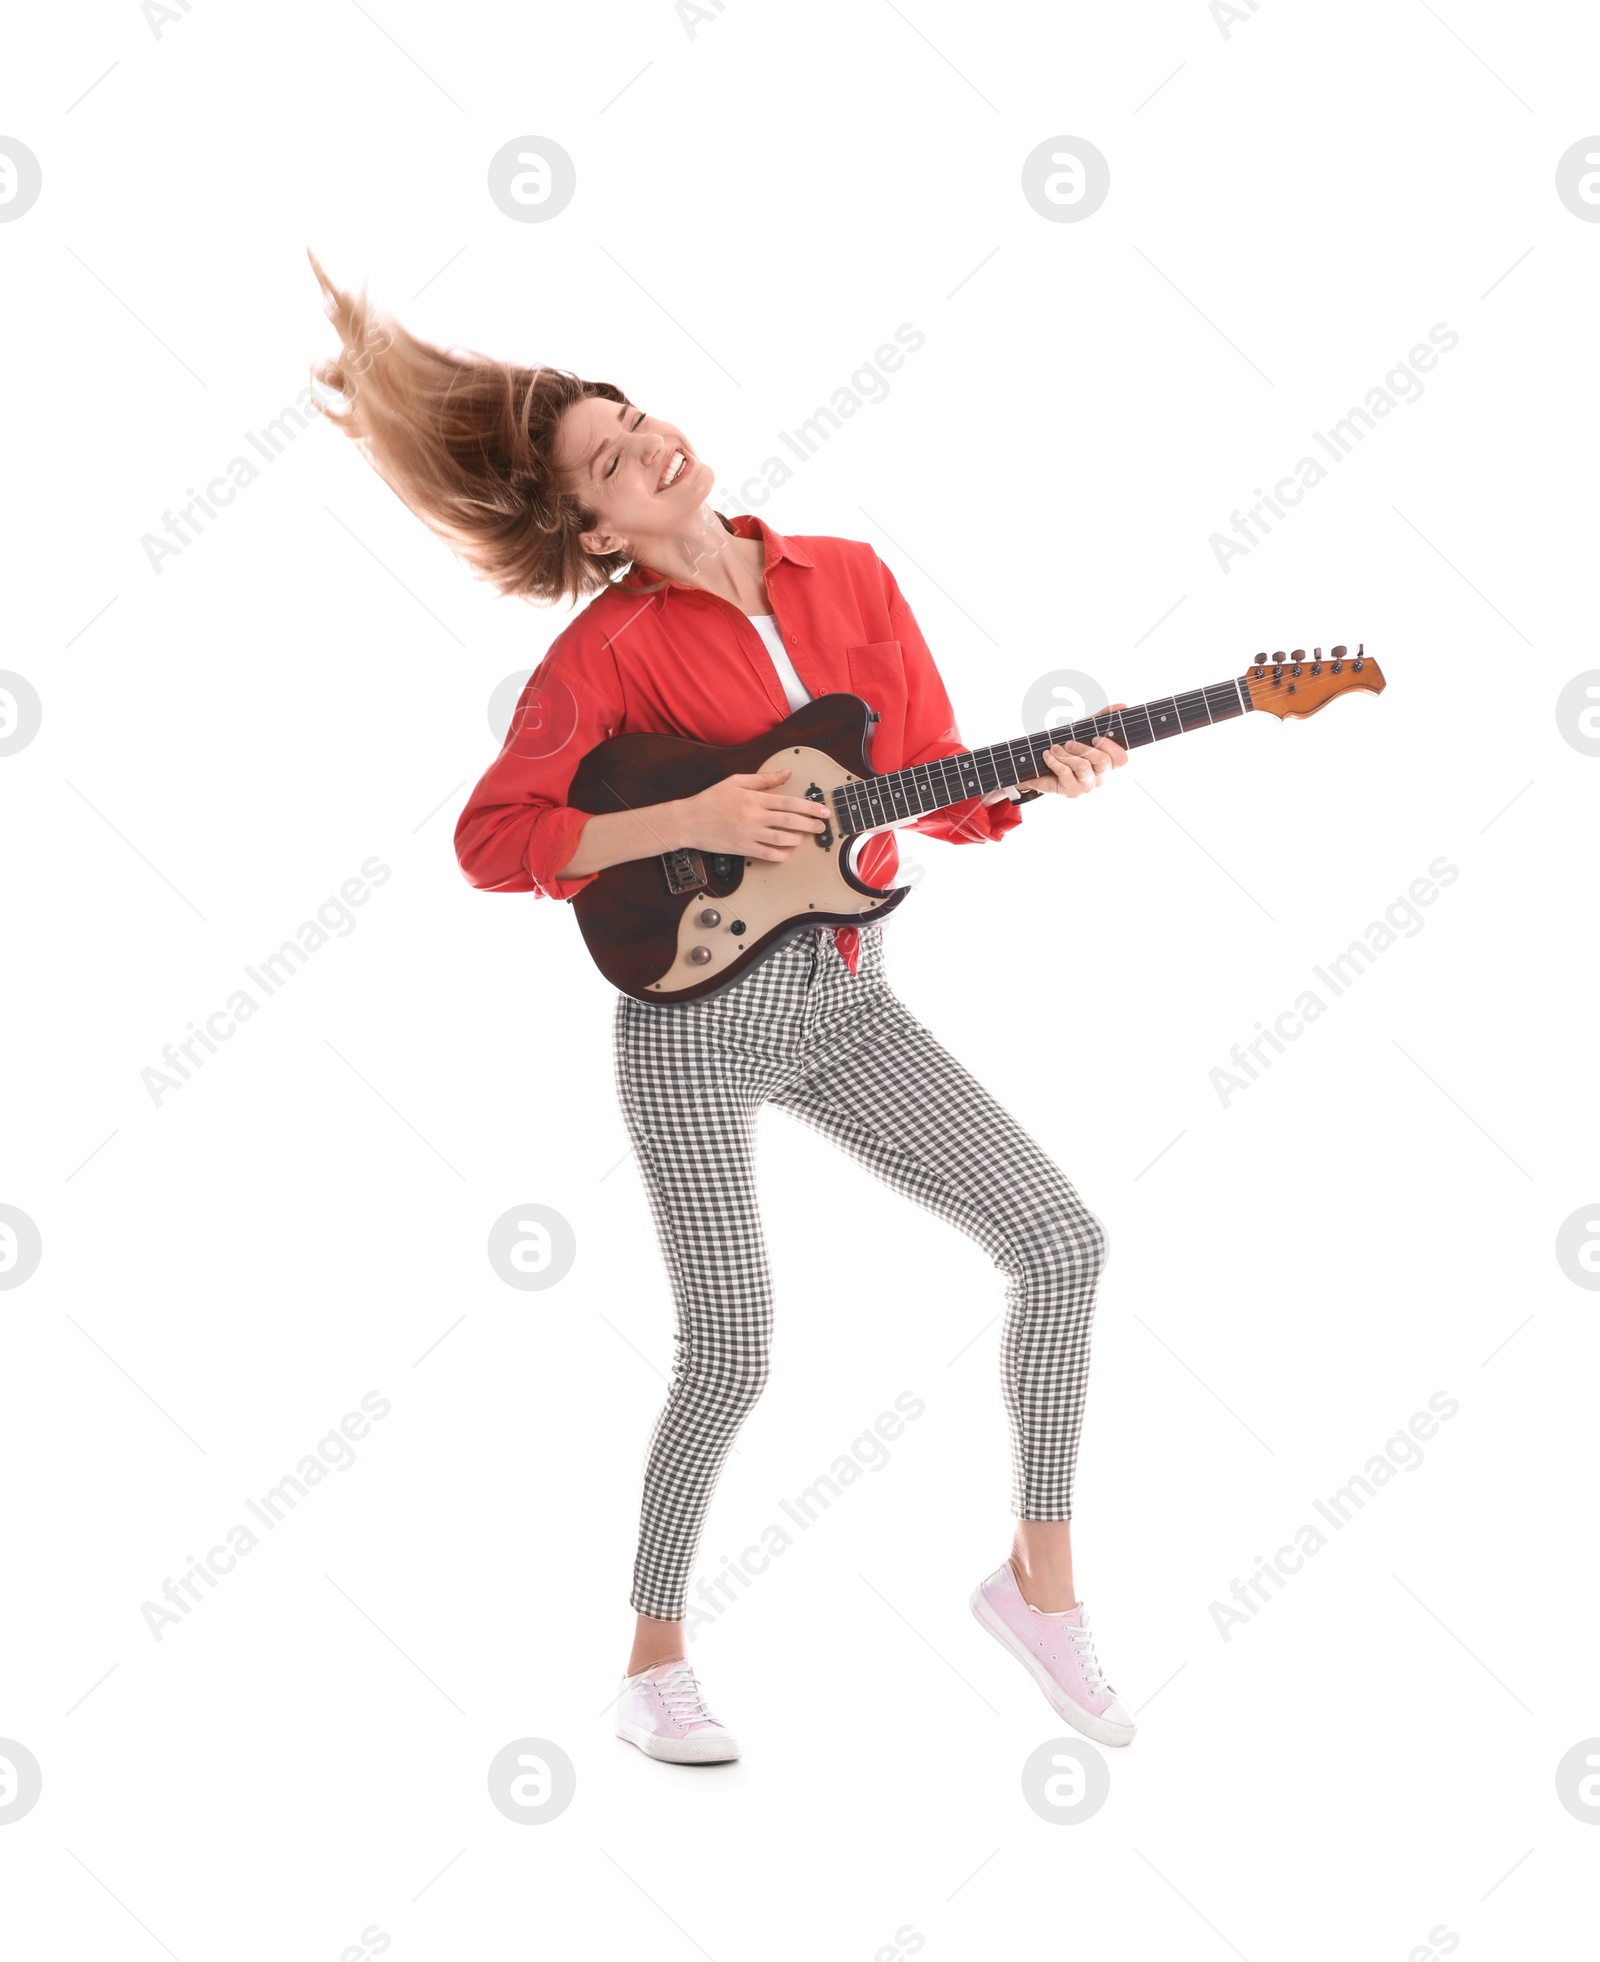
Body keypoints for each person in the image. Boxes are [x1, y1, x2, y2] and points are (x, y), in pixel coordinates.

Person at [307, 251, 1136, 1766]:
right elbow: (497, 837)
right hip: (693, 1018)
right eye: (610, 462)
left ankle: (1041, 1589)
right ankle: (653, 1659)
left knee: (1064, 1240)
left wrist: (1040, 771)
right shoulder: (604, 653)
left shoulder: (850, 575)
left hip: (847, 998)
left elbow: (933, 786)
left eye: (637, 419)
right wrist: (691, 807)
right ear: (592, 527)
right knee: (736, 1343)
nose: (648, 449)